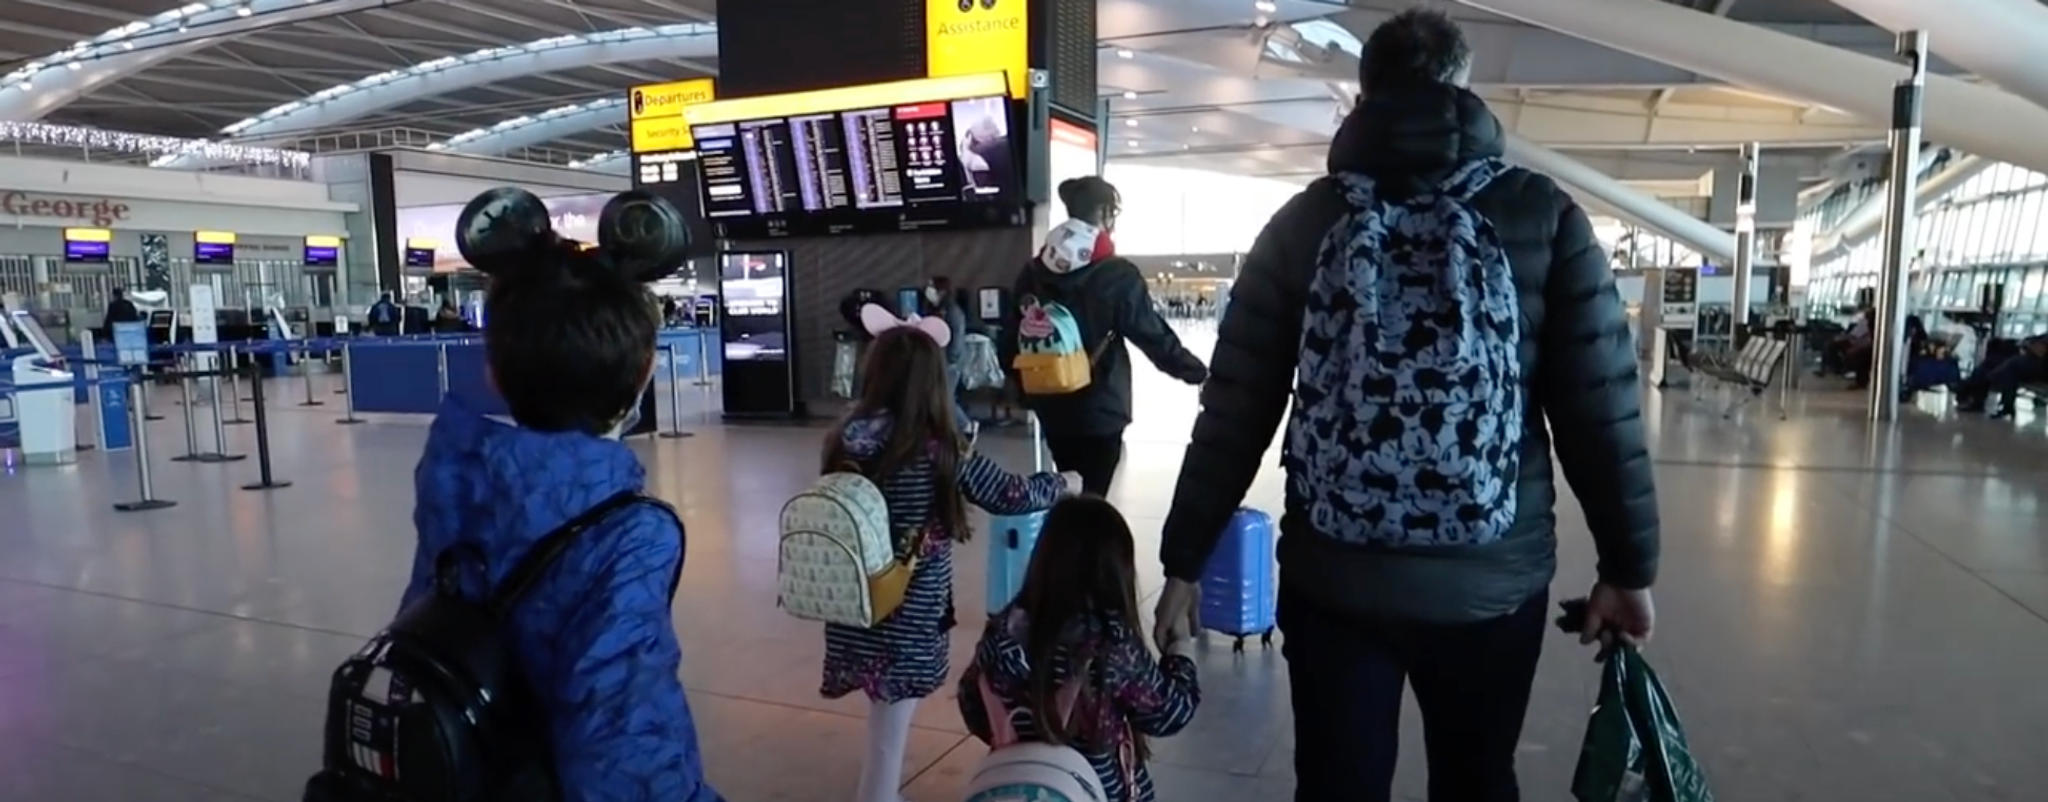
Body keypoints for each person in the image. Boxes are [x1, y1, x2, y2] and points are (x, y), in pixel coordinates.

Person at [1153, 10, 1659, 801]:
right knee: (1476, 776)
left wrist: (1184, 560)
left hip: (1336, 579)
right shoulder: (1544, 216)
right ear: (1462, 87)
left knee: (1339, 783)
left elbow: (1235, 410)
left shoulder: (1300, 225)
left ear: (1362, 95)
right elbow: (1602, 413)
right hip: (1492, 577)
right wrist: (1628, 569)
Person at [402, 199, 722, 802]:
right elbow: (623, 742)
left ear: (495, 373)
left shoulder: (454, 474)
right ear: (645, 371)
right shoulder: (628, 532)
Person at [819, 320, 1068, 802]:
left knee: (886, 708)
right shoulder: (938, 447)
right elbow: (1010, 494)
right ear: (933, 380)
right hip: (908, 606)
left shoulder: (846, 437)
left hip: (855, 597)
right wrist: (1063, 484)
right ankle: (878, 795)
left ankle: (880, 790)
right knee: (893, 714)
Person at [958, 496, 1200, 802]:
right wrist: (1181, 651)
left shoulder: (1002, 631)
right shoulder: (1109, 646)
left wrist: (1025, 736)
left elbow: (973, 707)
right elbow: (1169, 713)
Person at [1002, 176, 1209, 496]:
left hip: (1049, 400)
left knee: (1068, 485)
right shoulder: (1116, 274)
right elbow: (1152, 335)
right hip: (1101, 406)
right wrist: (1196, 372)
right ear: (1103, 213)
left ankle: (1067, 539)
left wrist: (1020, 387)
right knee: (1094, 496)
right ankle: (1086, 542)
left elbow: (1010, 336)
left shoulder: (1033, 271)